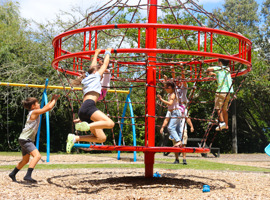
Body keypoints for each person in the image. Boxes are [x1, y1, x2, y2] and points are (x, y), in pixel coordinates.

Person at [66, 48, 115, 153]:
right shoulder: (95, 76)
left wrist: (96, 53)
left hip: (84, 110)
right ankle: (86, 126)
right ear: (95, 72)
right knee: (110, 123)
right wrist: (108, 52)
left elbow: (92, 67)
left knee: (101, 138)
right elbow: (105, 64)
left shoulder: (86, 79)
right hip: (88, 107)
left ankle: (75, 138)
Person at [9, 95, 60, 183]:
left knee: (25, 160)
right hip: (26, 139)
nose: (39, 104)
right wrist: (55, 99)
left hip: (24, 139)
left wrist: (51, 99)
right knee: (37, 156)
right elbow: (48, 108)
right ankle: (28, 176)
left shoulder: (34, 112)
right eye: (37, 103)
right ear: (33, 106)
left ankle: (13, 173)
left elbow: (46, 107)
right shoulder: (34, 112)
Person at [206, 58, 234, 131]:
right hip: (228, 92)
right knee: (224, 110)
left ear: (220, 62)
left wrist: (208, 71)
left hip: (220, 92)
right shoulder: (227, 69)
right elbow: (220, 75)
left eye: (218, 62)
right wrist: (214, 74)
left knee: (218, 108)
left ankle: (222, 122)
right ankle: (226, 125)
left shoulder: (219, 68)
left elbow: (209, 68)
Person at [157, 81, 182, 147]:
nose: (166, 89)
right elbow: (166, 119)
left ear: (171, 88)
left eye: (167, 87)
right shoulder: (170, 94)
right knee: (178, 129)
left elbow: (170, 103)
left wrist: (161, 99)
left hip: (175, 112)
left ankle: (179, 141)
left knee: (170, 127)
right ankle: (179, 142)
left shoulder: (173, 94)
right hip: (174, 112)